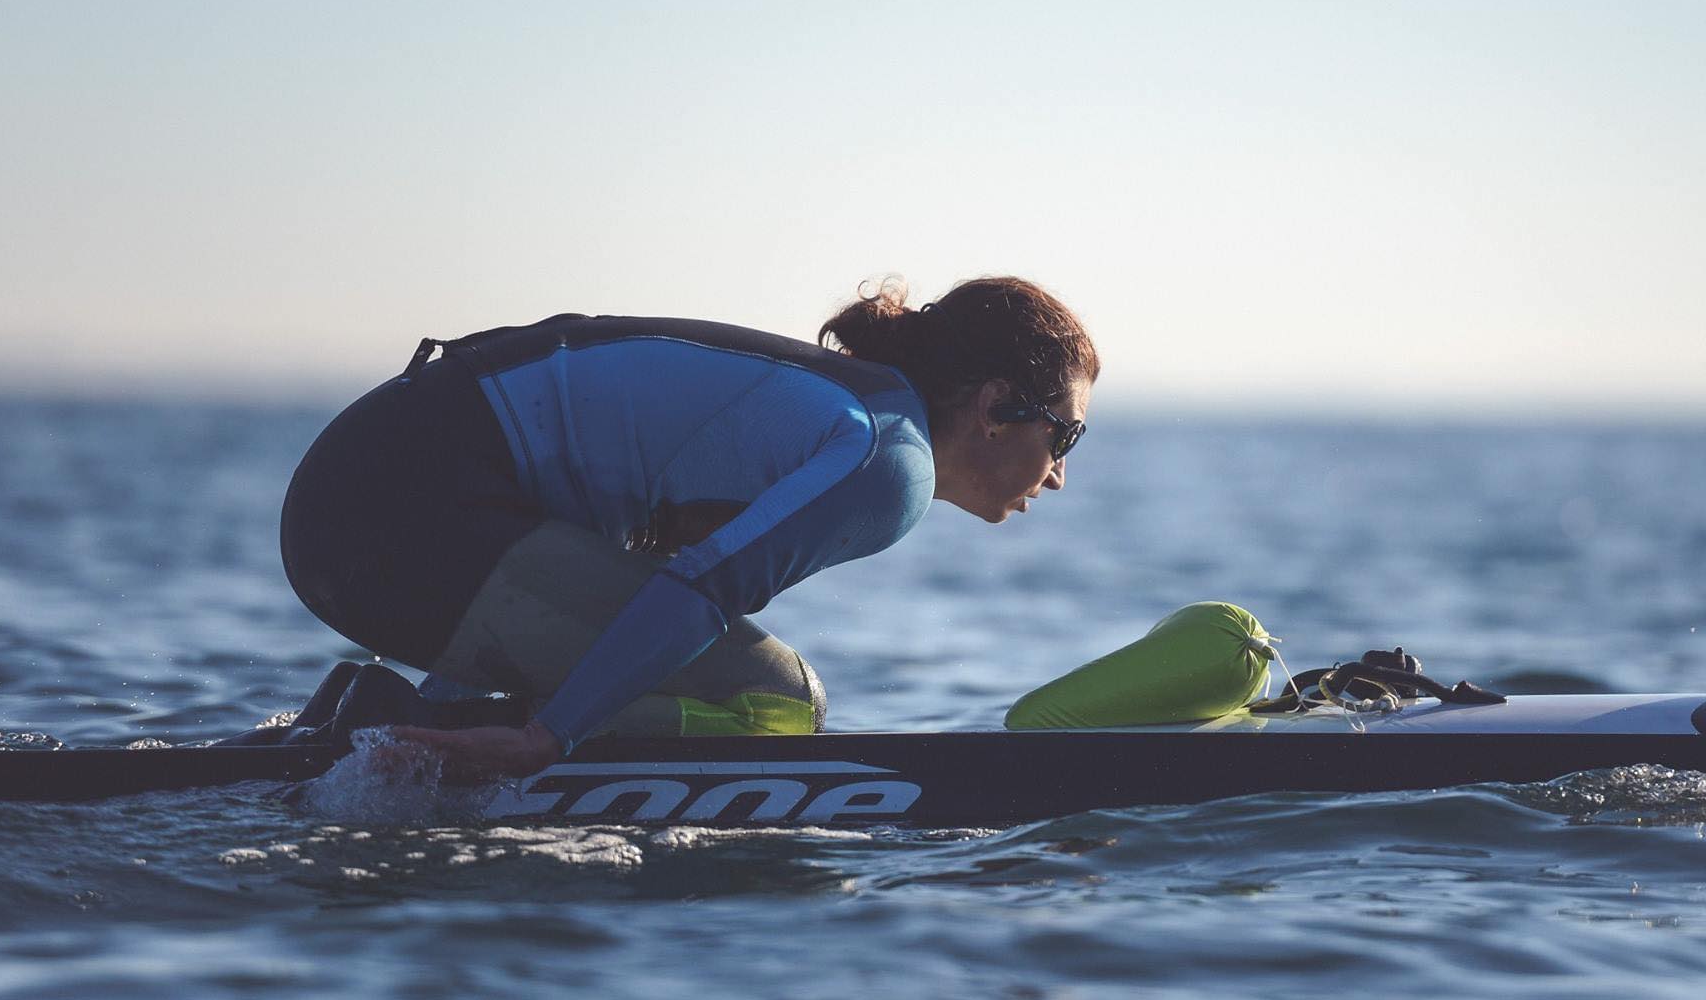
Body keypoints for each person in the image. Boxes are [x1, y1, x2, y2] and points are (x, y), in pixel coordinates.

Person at [277, 276, 1098, 779]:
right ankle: (390, 734)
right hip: (393, 508)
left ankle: (369, 718)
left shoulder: (852, 409)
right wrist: (546, 739)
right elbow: (699, 589)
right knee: (778, 701)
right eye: (1063, 437)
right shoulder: (893, 460)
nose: (1059, 472)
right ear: (994, 408)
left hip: (358, 498)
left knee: (667, 661)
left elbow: (589, 598)